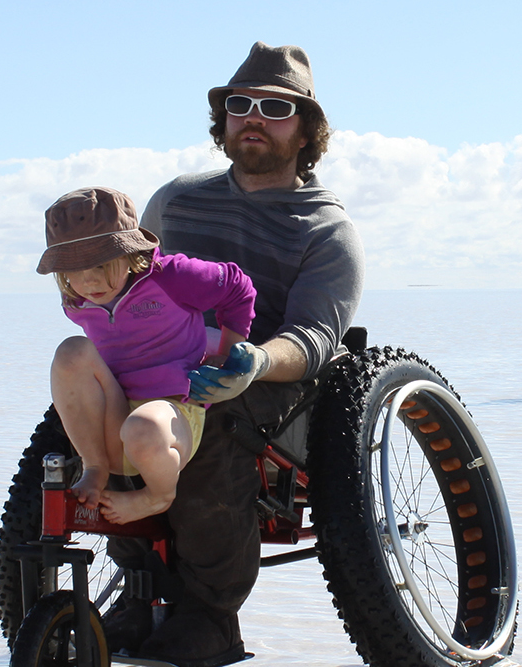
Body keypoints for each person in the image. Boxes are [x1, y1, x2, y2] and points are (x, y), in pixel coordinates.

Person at [98, 42, 363, 667]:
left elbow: (314, 338)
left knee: (212, 421)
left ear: (306, 130)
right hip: (163, 360)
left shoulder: (327, 229)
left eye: (276, 108)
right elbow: (126, 286)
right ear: (223, 119)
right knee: (94, 399)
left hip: (271, 381)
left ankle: (210, 615)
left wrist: (253, 363)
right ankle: (138, 586)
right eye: (241, 104)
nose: (253, 118)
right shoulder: (176, 200)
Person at [37, 186, 257, 525]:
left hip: (170, 418)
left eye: (101, 264)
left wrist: (227, 352)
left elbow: (237, 287)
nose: (89, 281)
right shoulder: (76, 302)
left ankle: (158, 496)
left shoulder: (172, 277)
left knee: (143, 426)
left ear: (129, 252)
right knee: (71, 351)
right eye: (74, 270)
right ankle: (94, 466)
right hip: (113, 421)